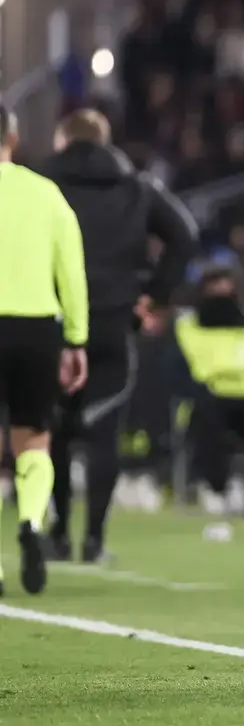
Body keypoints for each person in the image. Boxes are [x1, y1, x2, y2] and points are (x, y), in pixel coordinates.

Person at [39, 108, 198, 562]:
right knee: (103, 431)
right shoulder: (137, 187)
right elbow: (185, 236)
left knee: (53, 430)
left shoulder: (40, 184)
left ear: (62, 141)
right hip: (113, 321)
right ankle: (94, 540)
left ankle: (58, 533)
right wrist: (155, 295)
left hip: (50, 321)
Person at [0, 103, 89, 596]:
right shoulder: (45, 193)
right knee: (34, 440)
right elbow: (71, 270)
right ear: (12, 138)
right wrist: (76, 338)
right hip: (36, 328)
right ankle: (32, 521)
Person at [172, 265, 244, 517]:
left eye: (226, 284)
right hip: (209, 397)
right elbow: (177, 370)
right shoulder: (187, 326)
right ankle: (215, 488)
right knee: (207, 426)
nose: (221, 291)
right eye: (214, 285)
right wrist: (199, 393)